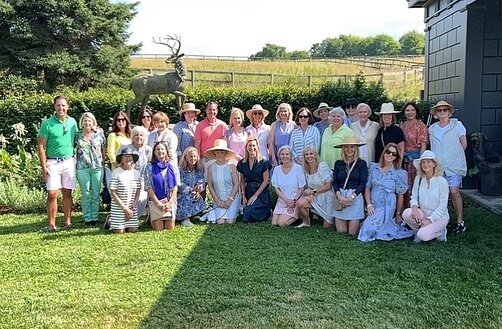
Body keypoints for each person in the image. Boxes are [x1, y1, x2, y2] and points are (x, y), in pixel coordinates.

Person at [37, 95, 78, 232]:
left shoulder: (72, 122)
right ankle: (51, 224)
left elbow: (79, 139)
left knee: (67, 192)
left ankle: (67, 222)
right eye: (58, 105)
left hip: (68, 161)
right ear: (54, 107)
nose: (61, 108)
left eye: (63, 105)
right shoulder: (47, 124)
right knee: (52, 193)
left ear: (68, 107)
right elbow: (41, 146)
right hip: (52, 162)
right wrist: (44, 167)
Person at [358, 143, 413, 242]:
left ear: (396, 157)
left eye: (394, 154)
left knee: (369, 230)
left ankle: (377, 223)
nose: (390, 155)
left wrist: (398, 214)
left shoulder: (398, 173)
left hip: (387, 205)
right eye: (388, 152)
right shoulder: (374, 168)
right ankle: (371, 222)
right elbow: (367, 188)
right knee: (369, 227)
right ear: (384, 153)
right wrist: (369, 205)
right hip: (374, 204)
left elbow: (400, 195)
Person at [428, 100, 467, 234]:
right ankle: (441, 221)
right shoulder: (432, 129)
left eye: (445, 110)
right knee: (439, 194)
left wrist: (454, 157)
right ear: (436, 113)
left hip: (454, 165)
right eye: (440, 110)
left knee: (454, 192)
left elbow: (464, 144)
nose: (442, 112)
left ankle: (460, 221)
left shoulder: (457, 125)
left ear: (449, 112)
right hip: (438, 166)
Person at [402, 150, 449, 242]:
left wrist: (430, 220)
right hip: (424, 213)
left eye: (428, 162)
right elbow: (414, 197)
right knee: (407, 214)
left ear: (434, 164)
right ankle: (417, 231)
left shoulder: (441, 181)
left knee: (423, 236)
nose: (425, 164)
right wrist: (414, 209)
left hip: (439, 217)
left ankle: (440, 232)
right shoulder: (419, 179)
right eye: (423, 162)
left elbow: (443, 206)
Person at [332, 136, 368, 236]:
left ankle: (362, 223)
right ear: (343, 148)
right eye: (346, 147)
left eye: (352, 147)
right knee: (341, 233)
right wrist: (340, 196)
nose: (349, 150)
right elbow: (335, 182)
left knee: (352, 233)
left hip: (355, 197)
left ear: (356, 148)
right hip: (341, 196)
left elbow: (362, 184)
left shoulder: (362, 163)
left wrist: (351, 198)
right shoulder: (338, 163)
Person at [75, 112, 106, 226]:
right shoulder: (77, 135)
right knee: (86, 193)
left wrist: (102, 161)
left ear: (93, 122)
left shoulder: (99, 133)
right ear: (82, 122)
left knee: (96, 193)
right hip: (82, 168)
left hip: (97, 167)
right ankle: (88, 217)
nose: (87, 123)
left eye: (89, 121)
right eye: (85, 121)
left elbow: (103, 148)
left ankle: (95, 216)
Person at [295, 146, 335, 228]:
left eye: (311, 153)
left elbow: (329, 185)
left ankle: (330, 219)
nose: (309, 156)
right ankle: (306, 222)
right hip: (316, 197)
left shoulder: (322, 166)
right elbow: (309, 188)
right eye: (306, 154)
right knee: (300, 203)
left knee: (327, 227)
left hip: (327, 197)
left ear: (316, 155)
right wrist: (310, 194)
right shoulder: (307, 171)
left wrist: (313, 192)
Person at [204, 139, 241, 224]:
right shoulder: (210, 167)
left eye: (222, 151)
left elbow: (236, 184)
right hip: (219, 200)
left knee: (229, 222)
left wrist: (230, 200)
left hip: (232, 198)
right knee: (220, 222)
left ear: (225, 153)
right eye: (217, 151)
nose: (219, 153)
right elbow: (210, 185)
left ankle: (236, 210)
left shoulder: (232, 166)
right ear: (214, 153)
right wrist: (217, 200)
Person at [119, 126, 152, 219]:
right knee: (128, 199)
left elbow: (149, 165)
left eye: (141, 135)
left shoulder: (148, 149)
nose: (139, 137)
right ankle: (123, 217)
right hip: (127, 178)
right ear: (132, 137)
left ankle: (133, 217)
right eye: (136, 135)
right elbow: (119, 164)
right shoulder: (125, 148)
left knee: (142, 199)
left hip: (142, 179)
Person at [145, 141, 179, 231]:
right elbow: (148, 187)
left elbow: (175, 186)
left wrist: (170, 202)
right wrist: (158, 203)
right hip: (156, 201)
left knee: (170, 227)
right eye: (157, 149)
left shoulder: (173, 166)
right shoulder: (149, 167)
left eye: (162, 149)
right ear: (154, 152)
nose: (160, 151)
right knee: (159, 228)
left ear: (166, 151)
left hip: (170, 201)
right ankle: (151, 217)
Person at [236, 136, 272, 222]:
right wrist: (243, 196)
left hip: (261, 192)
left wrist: (255, 196)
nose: (252, 148)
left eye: (253, 145)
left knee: (248, 213)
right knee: (246, 214)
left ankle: (268, 212)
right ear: (246, 147)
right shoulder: (242, 163)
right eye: (250, 145)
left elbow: (266, 181)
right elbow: (241, 180)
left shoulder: (264, 162)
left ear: (257, 147)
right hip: (248, 191)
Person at [399, 102, 428, 206]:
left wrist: (421, 162)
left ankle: (417, 209)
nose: (410, 112)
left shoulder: (421, 126)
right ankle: (405, 209)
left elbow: (423, 145)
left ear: (416, 112)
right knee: (404, 184)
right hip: (404, 160)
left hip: (416, 160)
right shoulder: (401, 126)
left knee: (416, 185)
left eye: (412, 110)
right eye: (407, 110)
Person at [108, 146, 142, 234]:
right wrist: (124, 209)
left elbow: (138, 190)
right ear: (121, 159)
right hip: (119, 207)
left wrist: (133, 207)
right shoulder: (116, 172)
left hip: (131, 207)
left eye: (130, 157)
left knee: (133, 230)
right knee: (120, 232)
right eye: (125, 157)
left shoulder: (137, 173)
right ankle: (110, 221)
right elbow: (113, 192)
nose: (128, 159)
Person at [271, 145, 306, 227]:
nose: (285, 156)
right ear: (279, 156)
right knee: (274, 223)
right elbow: (276, 188)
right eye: (282, 154)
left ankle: (298, 216)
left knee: (281, 223)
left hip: (295, 200)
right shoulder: (277, 169)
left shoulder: (298, 168)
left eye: (287, 154)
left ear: (291, 156)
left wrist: (293, 200)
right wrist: (286, 200)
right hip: (283, 199)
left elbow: (302, 188)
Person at [177, 147, 206, 227]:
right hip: (181, 194)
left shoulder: (199, 169)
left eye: (194, 156)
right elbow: (179, 184)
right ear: (186, 157)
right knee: (186, 199)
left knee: (198, 199)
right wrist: (191, 189)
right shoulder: (180, 169)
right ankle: (184, 218)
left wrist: (198, 190)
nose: (193, 158)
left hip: (193, 193)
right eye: (190, 156)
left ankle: (192, 215)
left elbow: (201, 180)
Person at [351, 103, 380, 167]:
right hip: (356, 160)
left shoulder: (376, 126)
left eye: (365, 112)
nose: (362, 114)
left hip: (372, 158)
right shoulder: (353, 126)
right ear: (357, 113)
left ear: (369, 113)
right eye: (360, 112)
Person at [269, 103, 296, 167]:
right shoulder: (274, 125)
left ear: (289, 113)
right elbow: (271, 143)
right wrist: (273, 158)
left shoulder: (293, 125)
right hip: (277, 153)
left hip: (289, 154)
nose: (283, 113)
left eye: (285, 111)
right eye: (281, 111)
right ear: (278, 113)